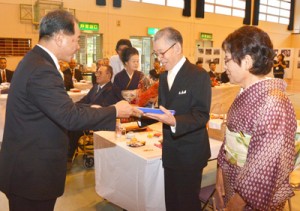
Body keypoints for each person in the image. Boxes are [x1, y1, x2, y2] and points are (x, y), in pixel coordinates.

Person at [0, 10, 140, 211]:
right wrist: (114, 111)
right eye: (76, 40)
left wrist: (90, 107)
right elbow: (68, 117)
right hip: (32, 174)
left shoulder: (35, 61)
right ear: (59, 38)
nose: (78, 46)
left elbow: (57, 108)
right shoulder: (42, 68)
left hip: (27, 169)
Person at [215, 26, 297, 211]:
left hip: (250, 199)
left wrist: (233, 207)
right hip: (233, 183)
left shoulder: (274, 103)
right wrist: (219, 180)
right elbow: (229, 141)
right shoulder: (245, 92)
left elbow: (264, 168)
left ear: (247, 61)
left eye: (227, 59)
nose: (224, 66)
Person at [141, 27, 211, 211]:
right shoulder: (164, 77)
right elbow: (164, 111)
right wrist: (139, 114)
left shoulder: (198, 75)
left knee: (187, 204)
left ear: (177, 48)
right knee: (171, 202)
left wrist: (175, 121)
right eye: (156, 54)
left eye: (161, 52)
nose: (159, 58)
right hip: (170, 151)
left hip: (190, 153)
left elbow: (201, 115)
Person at [68, 64, 123, 162]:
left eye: (100, 73)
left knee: (74, 126)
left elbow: (101, 107)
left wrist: (85, 107)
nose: (96, 75)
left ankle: (68, 156)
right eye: (97, 72)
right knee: (70, 120)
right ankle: (67, 152)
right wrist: (73, 106)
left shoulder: (112, 89)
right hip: (90, 115)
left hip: (100, 120)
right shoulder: (95, 87)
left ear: (108, 75)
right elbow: (85, 100)